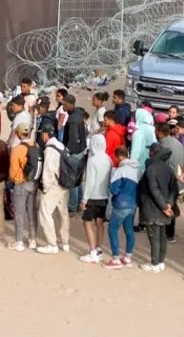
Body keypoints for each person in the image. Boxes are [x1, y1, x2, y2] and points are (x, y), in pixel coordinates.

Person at [138, 142, 179, 273]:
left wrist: (163, 206)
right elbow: (174, 189)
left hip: (153, 208)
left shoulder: (151, 169)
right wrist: (169, 204)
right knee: (162, 236)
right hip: (165, 206)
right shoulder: (168, 169)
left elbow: (153, 189)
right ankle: (161, 262)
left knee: (154, 237)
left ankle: (155, 263)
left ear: (153, 153)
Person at [36, 124, 70, 255]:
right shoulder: (61, 145)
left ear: (45, 134)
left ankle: (52, 244)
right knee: (63, 213)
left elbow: (48, 171)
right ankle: (65, 242)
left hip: (54, 185)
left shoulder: (50, 149)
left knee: (45, 212)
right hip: (64, 184)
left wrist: (45, 188)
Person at [79, 133, 112, 263]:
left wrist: (84, 199)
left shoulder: (92, 160)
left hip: (92, 196)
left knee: (87, 222)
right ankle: (98, 248)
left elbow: (90, 182)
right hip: (104, 196)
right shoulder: (108, 159)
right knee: (100, 222)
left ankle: (92, 251)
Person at [106, 147, 139, 270]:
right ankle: (128, 257)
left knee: (112, 230)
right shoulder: (135, 169)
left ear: (119, 156)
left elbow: (114, 189)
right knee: (129, 230)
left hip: (120, 204)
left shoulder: (120, 171)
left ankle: (115, 258)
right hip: (132, 205)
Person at [8, 123, 40, 251]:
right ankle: (32, 239)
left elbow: (13, 170)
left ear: (18, 133)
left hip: (21, 183)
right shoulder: (35, 145)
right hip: (34, 182)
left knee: (19, 213)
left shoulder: (18, 149)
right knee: (31, 211)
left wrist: (13, 180)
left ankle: (19, 241)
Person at [157, 122, 184, 243]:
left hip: (168, 182)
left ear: (160, 132)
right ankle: (170, 234)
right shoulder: (178, 144)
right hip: (178, 181)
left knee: (165, 207)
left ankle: (166, 234)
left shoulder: (162, 145)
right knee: (172, 205)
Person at [62, 94, 88, 215]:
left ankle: (72, 206)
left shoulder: (72, 120)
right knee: (78, 179)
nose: (63, 106)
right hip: (81, 151)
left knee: (72, 180)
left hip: (75, 153)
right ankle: (79, 201)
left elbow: (72, 139)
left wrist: (67, 153)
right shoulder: (78, 115)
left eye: (64, 104)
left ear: (69, 104)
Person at [130, 107, 157, 173]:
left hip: (139, 168)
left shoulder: (138, 132)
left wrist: (131, 168)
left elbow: (135, 153)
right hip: (151, 166)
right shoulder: (153, 130)